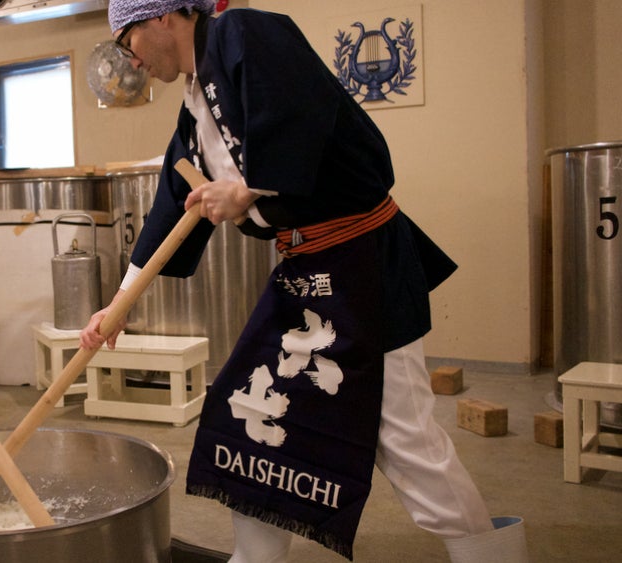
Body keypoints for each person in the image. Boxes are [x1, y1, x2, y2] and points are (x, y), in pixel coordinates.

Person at [80, 2, 526, 561]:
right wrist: (119, 304)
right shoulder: (194, 111)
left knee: (402, 437)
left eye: (128, 41)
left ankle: (491, 556)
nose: (131, 59)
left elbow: (300, 109)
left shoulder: (244, 32)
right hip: (304, 277)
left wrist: (247, 190)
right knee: (253, 412)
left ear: (162, 17)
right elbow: (170, 209)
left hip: (363, 263)